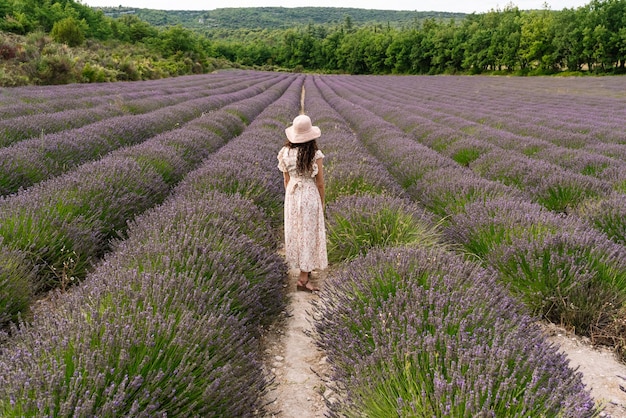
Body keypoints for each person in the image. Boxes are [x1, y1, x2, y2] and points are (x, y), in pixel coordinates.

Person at [277, 114, 328, 292]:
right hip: (308, 194)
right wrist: (321, 203)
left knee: (296, 233)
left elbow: (286, 178)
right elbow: (320, 183)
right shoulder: (315, 154)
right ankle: (303, 280)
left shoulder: (285, 152)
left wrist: (290, 197)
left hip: (292, 193)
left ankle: (303, 269)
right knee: (308, 234)